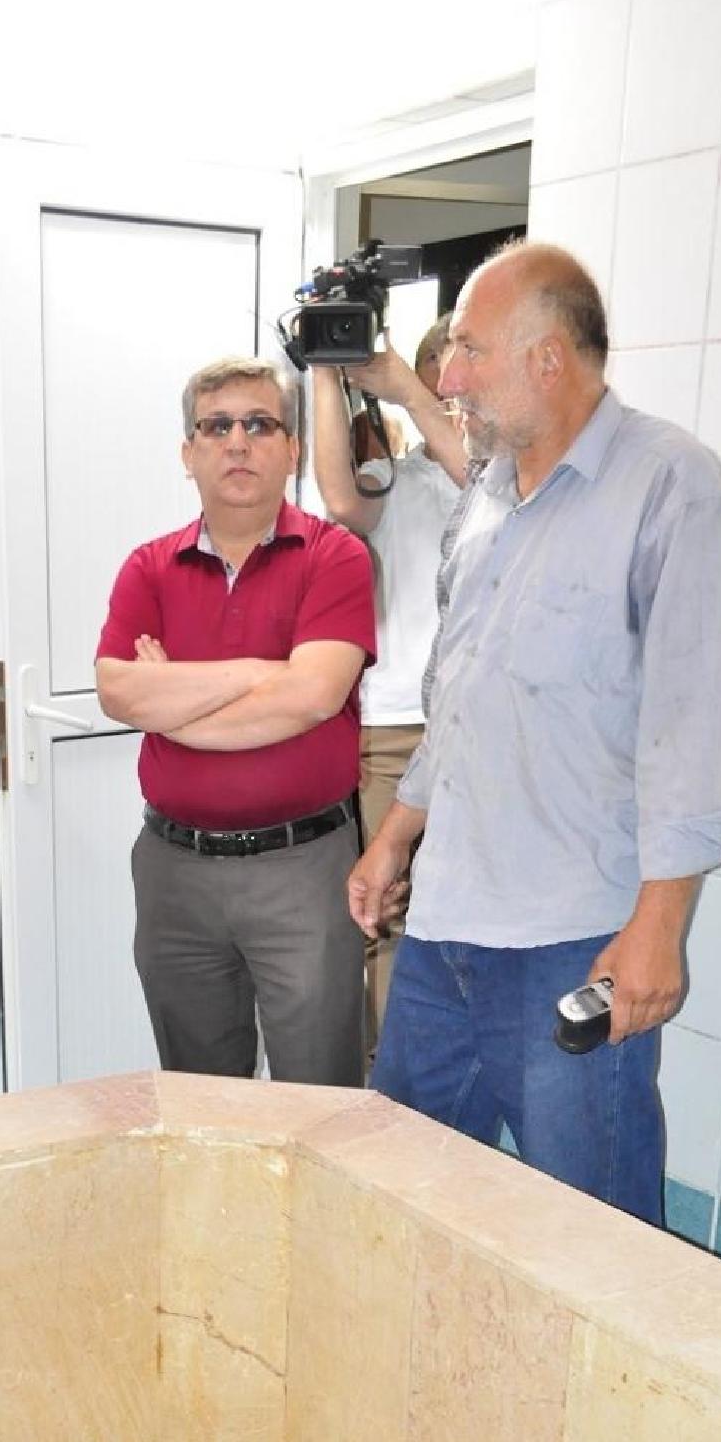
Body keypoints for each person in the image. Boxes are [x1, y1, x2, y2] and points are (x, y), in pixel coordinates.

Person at [347, 241, 721, 1224]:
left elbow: (692, 719)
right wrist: (396, 835)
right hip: (443, 931)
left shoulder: (669, 483)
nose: (447, 378)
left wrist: (660, 926)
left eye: (469, 352)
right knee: (396, 1203)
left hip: (571, 941)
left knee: (592, 1238)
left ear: (548, 359)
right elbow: (460, 690)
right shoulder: (485, 495)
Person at [95, 357, 375, 1087]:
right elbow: (119, 692)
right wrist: (260, 672)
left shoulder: (336, 557)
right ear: (189, 452)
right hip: (175, 874)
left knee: (320, 1103)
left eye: (259, 424)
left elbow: (312, 697)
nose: (238, 442)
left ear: (293, 449)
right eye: (216, 427)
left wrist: (175, 702)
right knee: (198, 1103)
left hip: (303, 871)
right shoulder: (147, 568)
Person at [311, 317, 468, 1054]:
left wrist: (407, 389)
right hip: (396, 728)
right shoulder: (397, 479)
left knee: (468, 920)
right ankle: (389, 1085)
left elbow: (485, 481)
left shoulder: (511, 479)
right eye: (446, 365)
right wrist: (324, 368)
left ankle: (450, 1084)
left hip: (482, 733)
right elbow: (343, 500)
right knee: (387, 917)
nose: (458, 384)